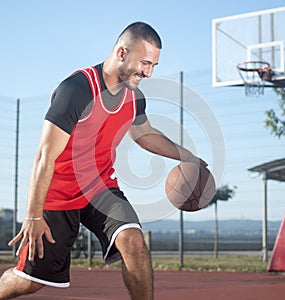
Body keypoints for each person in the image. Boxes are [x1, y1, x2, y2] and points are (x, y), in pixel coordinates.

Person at [0, 21, 206, 300]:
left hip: (99, 188)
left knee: (134, 242)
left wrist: (187, 156)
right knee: (30, 282)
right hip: (57, 194)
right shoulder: (78, 89)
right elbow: (44, 156)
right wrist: (34, 215)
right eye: (145, 63)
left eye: (154, 65)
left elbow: (145, 135)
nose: (149, 72)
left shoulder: (134, 98)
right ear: (122, 53)